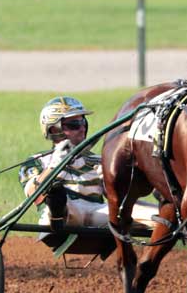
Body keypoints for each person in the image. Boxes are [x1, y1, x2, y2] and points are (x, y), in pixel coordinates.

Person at [19, 96, 154, 230]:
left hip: (97, 212)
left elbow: (118, 199)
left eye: (83, 122)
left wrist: (111, 182)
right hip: (62, 214)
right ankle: (57, 213)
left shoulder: (99, 160)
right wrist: (54, 166)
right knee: (58, 196)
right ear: (54, 129)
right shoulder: (37, 161)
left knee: (157, 216)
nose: (82, 128)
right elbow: (33, 195)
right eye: (74, 125)